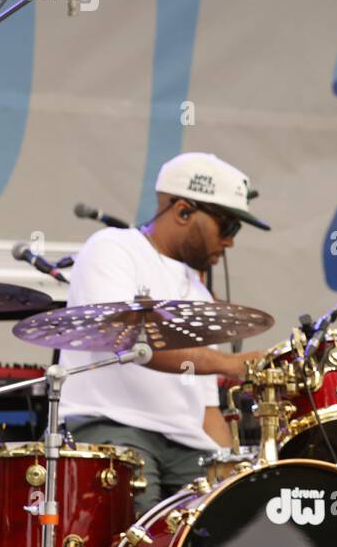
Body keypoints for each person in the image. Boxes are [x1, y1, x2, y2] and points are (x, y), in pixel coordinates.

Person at [63, 152, 269, 511]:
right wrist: (231, 363)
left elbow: (207, 410)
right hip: (112, 424)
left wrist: (235, 473)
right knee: (143, 528)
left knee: (230, 522)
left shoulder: (200, 293)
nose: (231, 241)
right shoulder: (113, 248)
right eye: (228, 226)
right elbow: (128, 340)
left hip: (187, 443)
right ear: (183, 211)